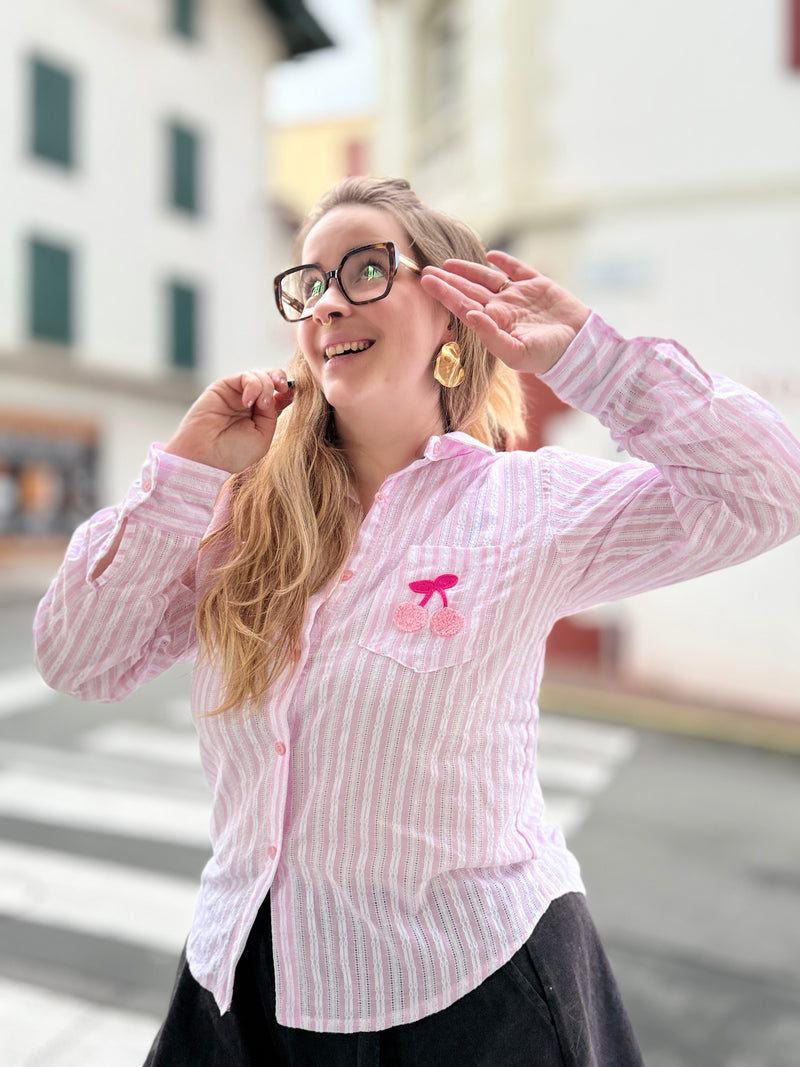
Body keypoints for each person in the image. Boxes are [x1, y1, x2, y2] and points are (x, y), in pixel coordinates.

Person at [34, 176, 800, 1066]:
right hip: (238, 991)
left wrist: (594, 359)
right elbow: (77, 660)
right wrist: (185, 469)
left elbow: (770, 491)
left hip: (469, 996)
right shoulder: (237, 514)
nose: (327, 303)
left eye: (365, 268)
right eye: (310, 283)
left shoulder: (526, 506)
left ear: (447, 312)